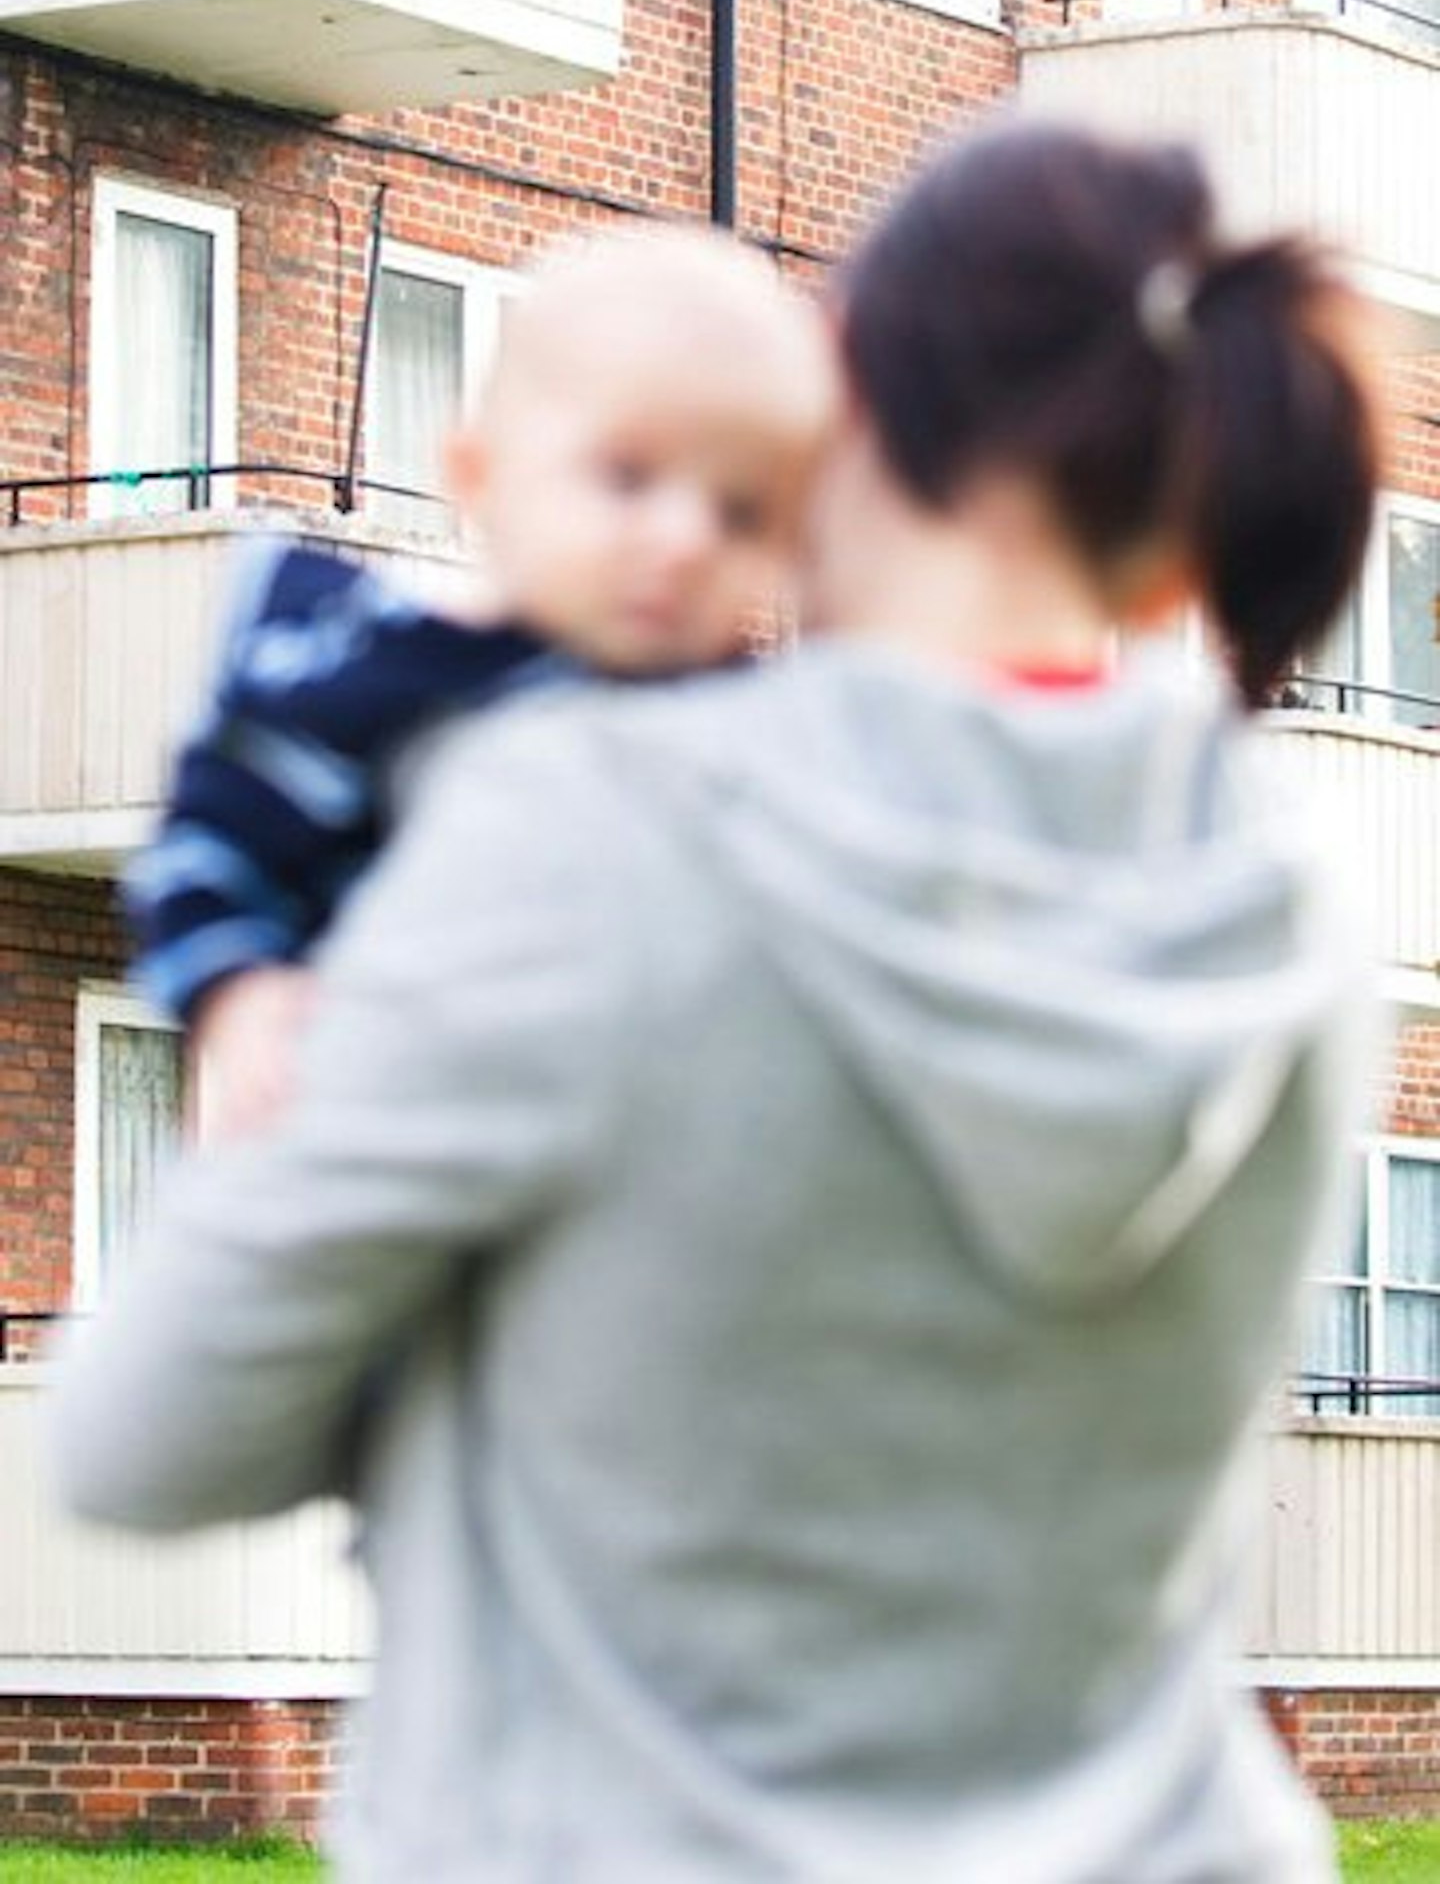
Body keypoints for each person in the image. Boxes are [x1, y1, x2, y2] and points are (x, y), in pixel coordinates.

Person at [55, 119, 1382, 1881]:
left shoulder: (583, 821)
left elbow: (145, 1436)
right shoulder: (1287, 895)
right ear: (1170, 539)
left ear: (844, 410)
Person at [124, 220, 836, 1133]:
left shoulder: (738, 723)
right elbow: (206, 854)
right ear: (478, 476)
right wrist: (240, 995)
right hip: (372, 1115)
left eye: (742, 514)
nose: (685, 539)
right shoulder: (354, 668)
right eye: (627, 477)